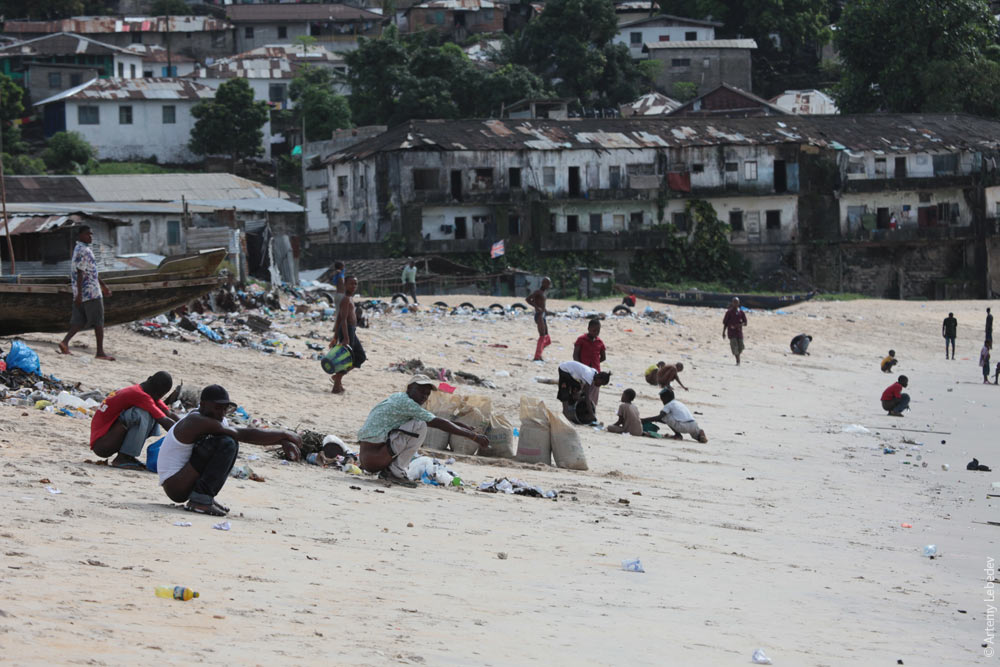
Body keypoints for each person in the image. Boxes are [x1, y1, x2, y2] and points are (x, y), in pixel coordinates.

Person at [158, 385, 301, 516]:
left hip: (183, 479)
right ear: (202, 405)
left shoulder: (217, 419)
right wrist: (284, 435)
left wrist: (282, 441)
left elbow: (243, 433)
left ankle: (203, 496)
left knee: (229, 441)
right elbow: (244, 434)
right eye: (216, 408)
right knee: (227, 443)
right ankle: (200, 500)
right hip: (175, 484)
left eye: (224, 408)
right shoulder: (196, 420)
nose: (221, 413)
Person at [357, 375, 489, 487]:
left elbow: (434, 419)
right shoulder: (406, 403)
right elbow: (437, 423)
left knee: (419, 422)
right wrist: (473, 437)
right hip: (374, 459)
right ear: (409, 388)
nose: (424, 396)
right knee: (419, 425)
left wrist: (463, 427)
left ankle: (392, 470)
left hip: (369, 458)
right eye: (421, 391)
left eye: (427, 394)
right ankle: (395, 472)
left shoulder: (400, 398)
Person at [90, 371, 179, 470]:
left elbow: (168, 414)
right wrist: (184, 436)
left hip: (107, 438)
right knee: (140, 414)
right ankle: (122, 458)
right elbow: (164, 420)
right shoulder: (139, 395)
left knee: (150, 413)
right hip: (102, 444)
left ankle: (128, 456)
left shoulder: (147, 392)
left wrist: (190, 425)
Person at [58, 225, 114, 360]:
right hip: (90, 293)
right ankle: (100, 352)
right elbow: (80, 273)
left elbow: (92, 272)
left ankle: (64, 343)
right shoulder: (84, 250)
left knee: (79, 321)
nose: (91, 237)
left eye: (91, 234)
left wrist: (103, 286)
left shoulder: (80, 249)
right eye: (88, 234)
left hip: (83, 292)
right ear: (80, 235)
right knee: (98, 322)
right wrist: (80, 295)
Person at [329, 276, 366, 394]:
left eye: (355, 284)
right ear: (345, 285)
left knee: (358, 357)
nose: (354, 286)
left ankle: (337, 379)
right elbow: (344, 320)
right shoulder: (345, 299)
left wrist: (335, 337)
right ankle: (337, 383)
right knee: (351, 358)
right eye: (351, 284)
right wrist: (345, 338)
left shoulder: (349, 299)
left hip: (349, 331)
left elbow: (339, 319)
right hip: (347, 331)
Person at [642, 388, 707, 443]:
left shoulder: (668, 405)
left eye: (662, 399)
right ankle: (700, 433)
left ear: (666, 398)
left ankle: (678, 435)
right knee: (697, 437)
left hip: (682, 426)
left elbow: (660, 417)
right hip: (693, 424)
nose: (662, 402)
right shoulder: (679, 403)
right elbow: (665, 421)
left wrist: (644, 420)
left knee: (664, 415)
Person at [557, 360, 611, 424]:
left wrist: (578, 394)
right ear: (599, 378)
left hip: (569, 371)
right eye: (601, 383)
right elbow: (587, 397)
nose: (599, 385)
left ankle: (570, 407)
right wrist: (591, 414)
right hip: (564, 370)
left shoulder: (595, 372)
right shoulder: (589, 375)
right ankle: (565, 413)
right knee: (565, 390)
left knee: (576, 388)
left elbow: (584, 390)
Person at [573, 318, 607, 405]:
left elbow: (603, 357)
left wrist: (595, 363)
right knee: (580, 392)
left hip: (595, 373)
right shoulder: (581, 339)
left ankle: (590, 410)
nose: (596, 333)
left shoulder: (600, 342)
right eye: (594, 330)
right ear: (588, 329)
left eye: (598, 331)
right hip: (582, 371)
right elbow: (575, 355)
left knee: (593, 395)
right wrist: (580, 366)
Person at [526, 277, 552, 361]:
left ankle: (539, 354)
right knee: (542, 336)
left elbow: (542, 304)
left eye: (549, 283)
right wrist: (537, 307)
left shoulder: (544, 293)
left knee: (547, 338)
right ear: (543, 283)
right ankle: (537, 357)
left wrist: (546, 311)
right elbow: (528, 299)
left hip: (543, 315)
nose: (549, 285)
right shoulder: (538, 292)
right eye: (547, 283)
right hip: (539, 315)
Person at [722, 297, 747, 365]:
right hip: (731, 332)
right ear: (732, 303)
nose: (735, 303)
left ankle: (738, 356)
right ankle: (738, 361)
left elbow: (745, 323)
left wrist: (739, 325)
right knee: (734, 346)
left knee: (741, 346)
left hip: (739, 332)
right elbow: (725, 323)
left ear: (738, 303)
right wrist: (723, 332)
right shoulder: (729, 312)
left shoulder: (741, 312)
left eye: (737, 302)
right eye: (734, 302)